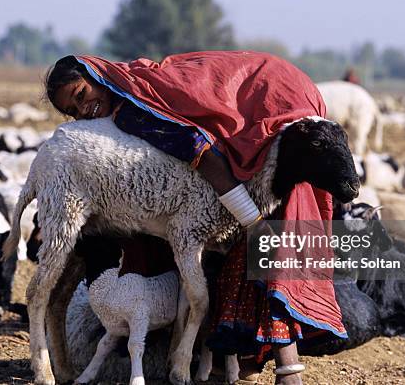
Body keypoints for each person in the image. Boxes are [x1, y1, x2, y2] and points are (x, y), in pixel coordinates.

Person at [44, 51, 346, 385]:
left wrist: (252, 221)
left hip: (273, 99)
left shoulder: (136, 109)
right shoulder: (133, 89)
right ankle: (228, 362)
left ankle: (280, 368)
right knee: (254, 226)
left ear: (97, 74)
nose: (84, 110)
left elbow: (201, 154)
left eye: (82, 95)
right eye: (74, 112)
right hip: (277, 86)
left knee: (273, 230)